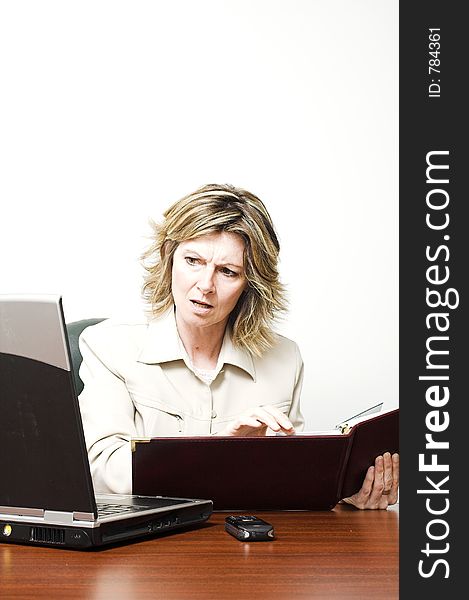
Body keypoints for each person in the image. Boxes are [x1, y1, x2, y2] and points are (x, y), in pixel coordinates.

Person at [78, 183, 399, 509]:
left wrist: (346, 496)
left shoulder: (285, 360)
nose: (205, 285)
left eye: (228, 272)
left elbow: (292, 491)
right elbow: (98, 474)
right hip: (147, 546)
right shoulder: (109, 345)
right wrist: (220, 451)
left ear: (251, 284)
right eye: (192, 261)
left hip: (248, 550)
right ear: (168, 258)